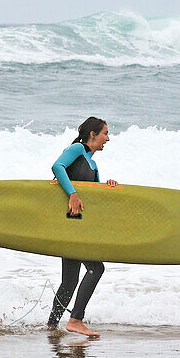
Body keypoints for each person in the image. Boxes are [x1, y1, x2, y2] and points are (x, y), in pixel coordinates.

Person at [47, 117, 119, 337]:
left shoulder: (93, 164)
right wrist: (73, 194)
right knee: (96, 268)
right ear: (92, 135)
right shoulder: (77, 148)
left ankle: (51, 326)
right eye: (105, 133)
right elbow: (56, 167)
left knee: (69, 281)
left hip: (77, 226)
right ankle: (76, 319)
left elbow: (93, 195)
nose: (108, 138)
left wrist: (108, 186)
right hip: (69, 224)